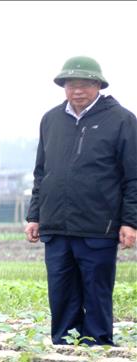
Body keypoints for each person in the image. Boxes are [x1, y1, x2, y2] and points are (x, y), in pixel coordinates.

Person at [25, 56, 137, 346]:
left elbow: (133, 177)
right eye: (71, 84)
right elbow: (42, 172)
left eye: (85, 84)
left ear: (98, 85)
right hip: (56, 223)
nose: (77, 90)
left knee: (96, 288)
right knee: (60, 289)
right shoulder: (51, 120)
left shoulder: (121, 120)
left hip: (98, 224)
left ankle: (98, 343)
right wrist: (34, 215)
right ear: (63, 87)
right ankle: (63, 343)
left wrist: (130, 222)